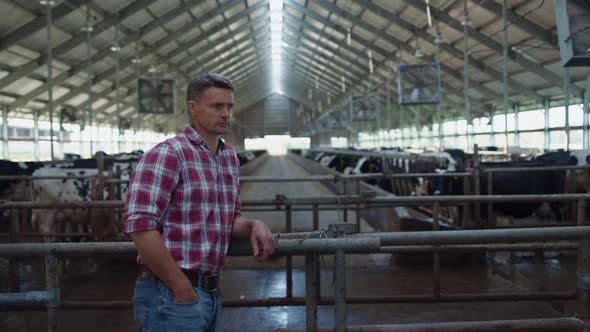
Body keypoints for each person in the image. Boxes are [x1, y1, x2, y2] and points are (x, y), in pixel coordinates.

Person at [124, 72, 275, 331]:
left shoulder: (228, 157)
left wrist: (252, 225)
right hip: (170, 294)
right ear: (193, 108)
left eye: (229, 106)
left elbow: (225, 220)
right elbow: (140, 227)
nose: (226, 113)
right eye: (217, 106)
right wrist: (181, 287)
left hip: (210, 291)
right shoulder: (168, 154)